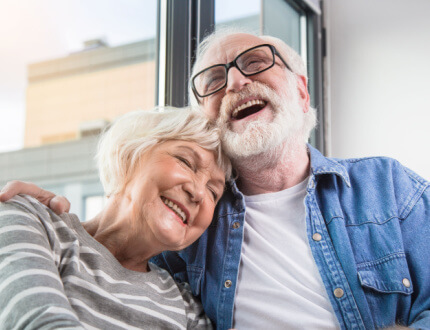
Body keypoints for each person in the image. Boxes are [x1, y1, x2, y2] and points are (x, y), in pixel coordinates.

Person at [2, 29, 430, 329]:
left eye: (256, 62)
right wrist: (35, 212)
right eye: (214, 81)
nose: (236, 81)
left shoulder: (387, 186)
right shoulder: (187, 240)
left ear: (301, 90)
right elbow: (117, 240)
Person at [0, 106, 232, 329]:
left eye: (213, 192)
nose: (199, 193)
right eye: (186, 162)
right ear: (129, 155)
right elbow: (38, 322)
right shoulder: (32, 220)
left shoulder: (187, 309)